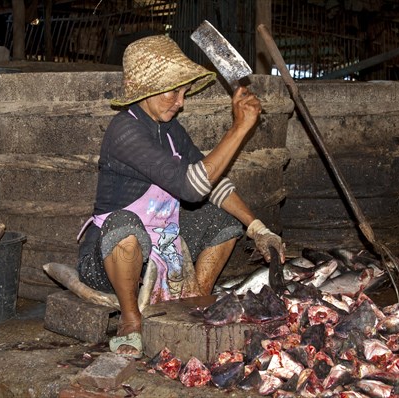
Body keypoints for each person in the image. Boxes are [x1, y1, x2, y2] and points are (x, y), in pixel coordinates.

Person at [76, 35, 285, 359]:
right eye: (173, 91)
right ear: (145, 89)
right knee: (125, 227)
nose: (181, 101)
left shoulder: (171, 129)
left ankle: (191, 303)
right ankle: (131, 319)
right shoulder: (124, 131)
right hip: (106, 259)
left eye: (184, 91)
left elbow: (212, 184)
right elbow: (191, 187)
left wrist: (256, 226)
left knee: (223, 221)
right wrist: (239, 128)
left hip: (161, 248)